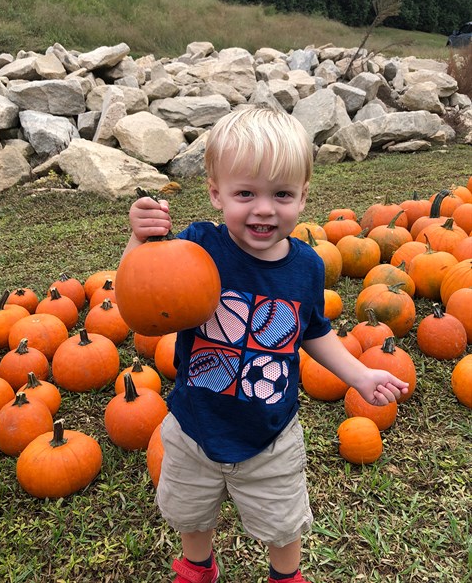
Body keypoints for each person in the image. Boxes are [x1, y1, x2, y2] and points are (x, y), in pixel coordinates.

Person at [122, 107, 409, 583]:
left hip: (270, 434)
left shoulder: (307, 268)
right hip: (195, 425)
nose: (263, 209)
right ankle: (198, 566)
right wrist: (139, 239)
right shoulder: (197, 247)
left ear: (303, 196)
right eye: (245, 194)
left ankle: (285, 576)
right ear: (216, 194)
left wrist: (359, 373)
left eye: (281, 194)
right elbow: (141, 292)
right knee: (190, 512)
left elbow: (314, 332)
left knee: (282, 522)